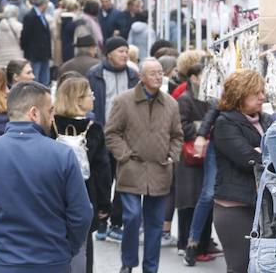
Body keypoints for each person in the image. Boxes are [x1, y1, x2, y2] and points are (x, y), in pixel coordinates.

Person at [0, 81, 92, 273]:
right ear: (34, 113)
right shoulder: (63, 155)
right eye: (50, 111)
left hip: (3, 263)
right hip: (52, 262)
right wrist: (67, 249)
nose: (53, 118)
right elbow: (81, 214)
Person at [105, 57, 183, 273]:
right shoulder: (123, 101)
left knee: (155, 224)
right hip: (132, 168)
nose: (158, 76)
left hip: (160, 168)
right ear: (141, 77)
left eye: (160, 72)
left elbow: (177, 135)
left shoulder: (171, 104)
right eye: (153, 73)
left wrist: (172, 155)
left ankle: (151, 268)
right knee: (131, 217)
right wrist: (124, 155)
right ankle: (128, 263)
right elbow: (111, 133)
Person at [208, 69, 270, 273]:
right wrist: (262, 153)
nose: (262, 97)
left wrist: (263, 152)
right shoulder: (225, 123)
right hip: (234, 207)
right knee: (240, 266)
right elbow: (248, 158)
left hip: (262, 205)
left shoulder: (267, 120)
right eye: (256, 92)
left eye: (262, 91)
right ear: (240, 95)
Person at [52, 77, 111, 273]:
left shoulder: (50, 126)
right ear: (78, 99)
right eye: (89, 94)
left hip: (53, 196)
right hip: (85, 195)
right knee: (84, 247)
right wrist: (104, 204)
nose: (93, 97)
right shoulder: (93, 129)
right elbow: (102, 170)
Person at [87, 36, 138, 242]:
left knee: (123, 180)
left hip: (126, 136)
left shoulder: (133, 76)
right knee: (102, 178)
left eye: (126, 51)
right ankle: (101, 219)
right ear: (109, 54)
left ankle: (116, 222)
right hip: (102, 133)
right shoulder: (95, 74)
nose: (125, 54)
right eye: (120, 51)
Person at [175, 64, 216, 265]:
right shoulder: (185, 99)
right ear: (193, 77)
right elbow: (182, 126)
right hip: (189, 157)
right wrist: (204, 131)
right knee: (190, 201)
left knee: (203, 198)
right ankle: (187, 243)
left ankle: (201, 243)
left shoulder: (207, 99)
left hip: (204, 154)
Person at [19, 0, 53, 87]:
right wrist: (26, 50)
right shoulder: (30, 16)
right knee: (35, 79)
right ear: (43, 4)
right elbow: (25, 35)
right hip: (35, 53)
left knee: (44, 79)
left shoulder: (41, 15)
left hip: (44, 53)